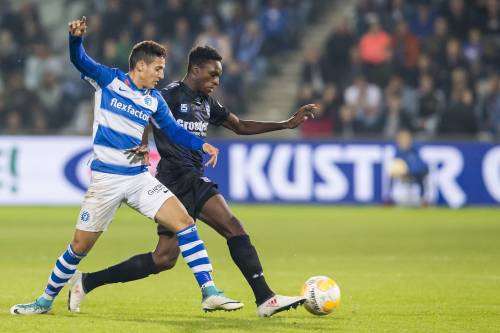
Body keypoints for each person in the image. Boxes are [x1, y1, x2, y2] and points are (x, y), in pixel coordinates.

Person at [10, 17, 242, 315]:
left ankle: (209, 291)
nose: (161, 74)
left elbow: (173, 131)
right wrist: (75, 39)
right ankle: (44, 300)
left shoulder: (154, 101)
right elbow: (79, 60)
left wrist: (202, 144)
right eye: (157, 68)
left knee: (184, 222)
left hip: (137, 178)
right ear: (141, 66)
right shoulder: (109, 80)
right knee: (79, 246)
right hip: (106, 181)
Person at [69, 45, 317, 317]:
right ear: (196, 70)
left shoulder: (207, 103)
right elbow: (142, 112)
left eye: (218, 77)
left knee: (163, 258)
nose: (216, 82)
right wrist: (141, 143)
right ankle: (266, 298)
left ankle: (87, 281)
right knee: (233, 226)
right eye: (212, 75)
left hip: (189, 178)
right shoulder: (170, 94)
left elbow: (241, 126)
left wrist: (285, 123)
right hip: (177, 178)